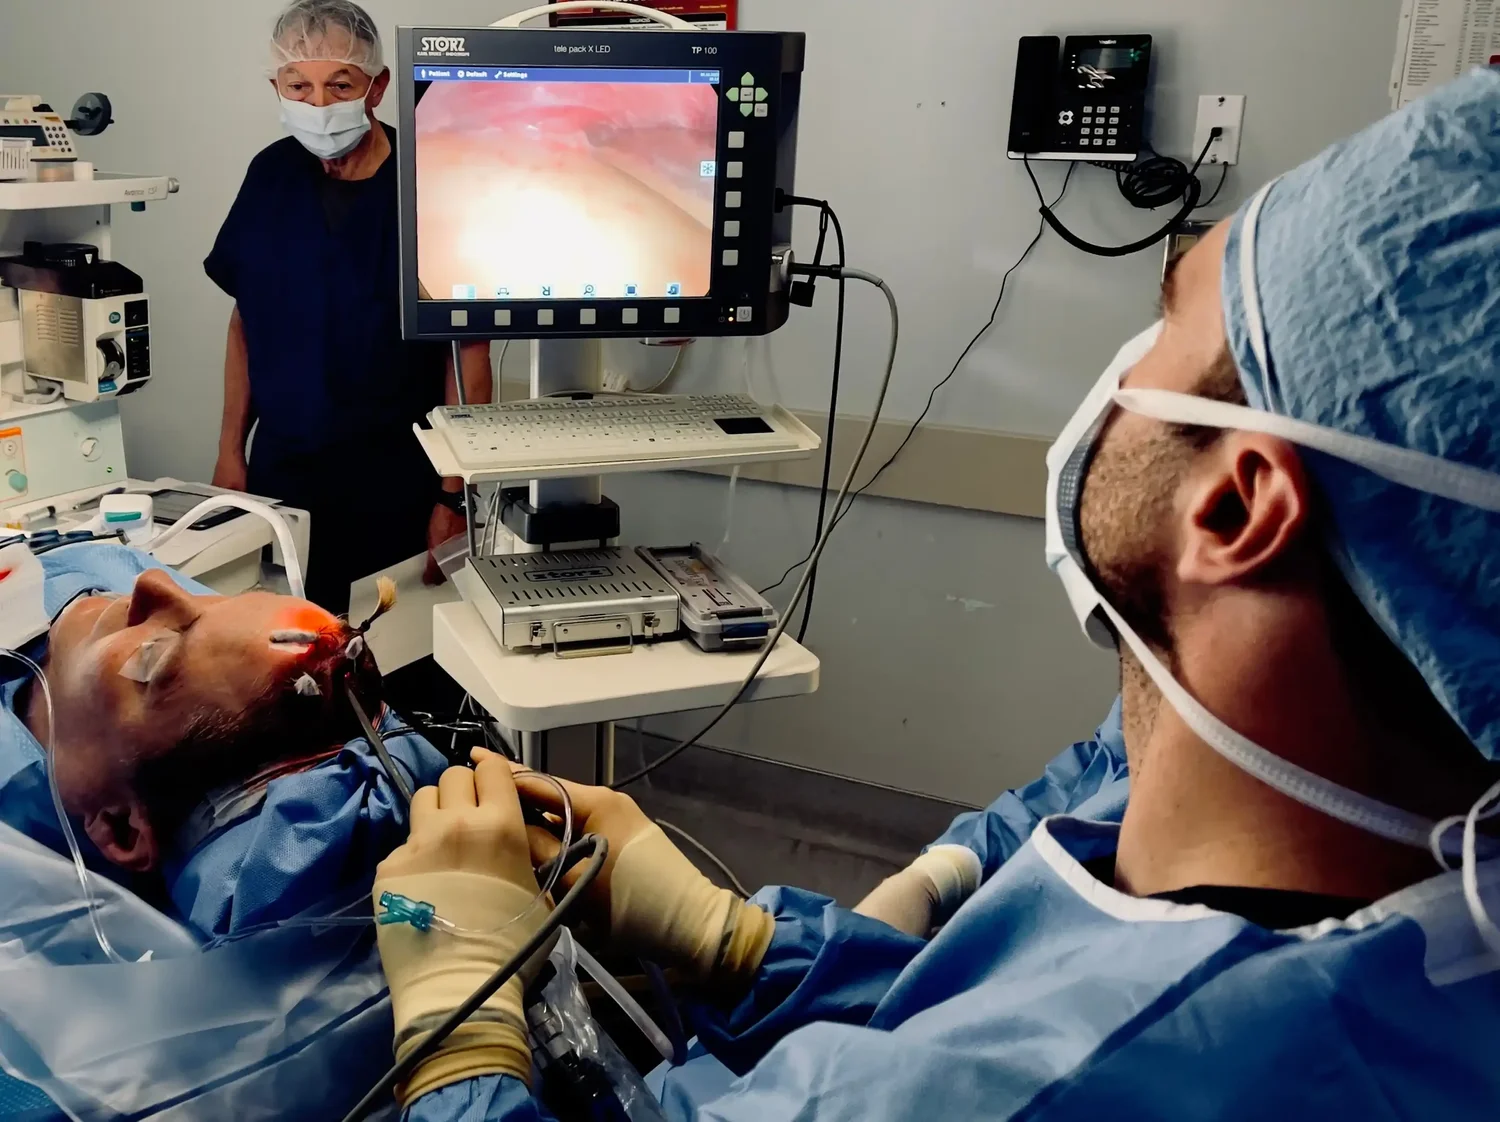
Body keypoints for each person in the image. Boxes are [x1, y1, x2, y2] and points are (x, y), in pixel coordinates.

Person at [369, 68, 1500, 1120]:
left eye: (1168, 324)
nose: (1118, 370)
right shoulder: (1315, 796)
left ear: (1236, 514)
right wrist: (748, 945)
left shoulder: (1074, 1078)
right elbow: (1055, 858)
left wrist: (458, 1044)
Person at [0, 541, 450, 1118]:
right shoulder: (116, 575)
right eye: (224, 599)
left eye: (155, 659)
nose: (155, 587)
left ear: (118, 825)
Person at [206, 0, 491, 613]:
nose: (318, 103)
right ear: (277, 88)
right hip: (285, 476)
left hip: (400, 481)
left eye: (340, 84)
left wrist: (454, 497)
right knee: (301, 664)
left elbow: (467, 351)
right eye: (298, 85)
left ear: (377, 86)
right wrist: (231, 453)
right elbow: (245, 320)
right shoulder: (270, 176)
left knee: (398, 659)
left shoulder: (428, 181)